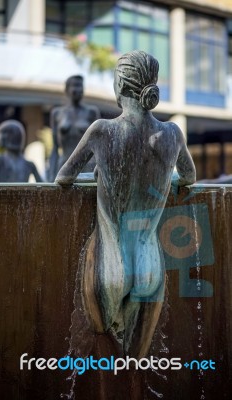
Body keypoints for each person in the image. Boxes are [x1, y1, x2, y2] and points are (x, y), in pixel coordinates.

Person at [55, 51, 196, 357]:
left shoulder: (102, 130)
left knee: (103, 357)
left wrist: (102, 173)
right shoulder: (172, 133)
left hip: (110, 267)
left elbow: (63, 178)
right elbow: (189, 177)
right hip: (150, 267)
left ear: (119, 85)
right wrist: (166, 180)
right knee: (135, 365)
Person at [48, 75, 100, 181]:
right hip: (63, 165)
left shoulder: (91, 112)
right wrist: (50, 175)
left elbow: (98, 146)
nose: (79, 89)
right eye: (75, 86)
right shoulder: (57, 113)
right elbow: (55, 148)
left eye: (81, 86)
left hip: (87, 167)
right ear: (67, 90)